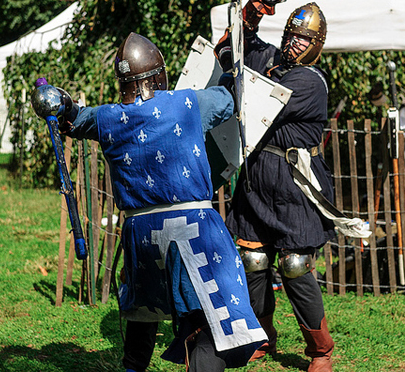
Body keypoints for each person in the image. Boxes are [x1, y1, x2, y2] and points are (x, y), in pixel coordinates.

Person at [35, 32, 267, 372]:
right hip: (194, 230)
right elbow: (229, 99)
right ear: (159, 75)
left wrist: (59, 101)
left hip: (141, 233)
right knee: (210, 316)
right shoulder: (187, 104)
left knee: (143, 315)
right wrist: (231, 68)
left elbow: (73, 120)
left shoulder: (107, 117)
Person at [214, 0, 336, 371]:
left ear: (315, 46)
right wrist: (254, 8)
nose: (293, 42)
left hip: (292, 184)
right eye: (290, 34)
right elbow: (228, 52)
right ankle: (263, 338)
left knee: (294, 266)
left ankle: (321, 351)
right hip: (255, 180)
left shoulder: (311, 81)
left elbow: (254, 96)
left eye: (303, 38)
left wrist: (240, 70)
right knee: (253, 261)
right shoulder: (268, 59)